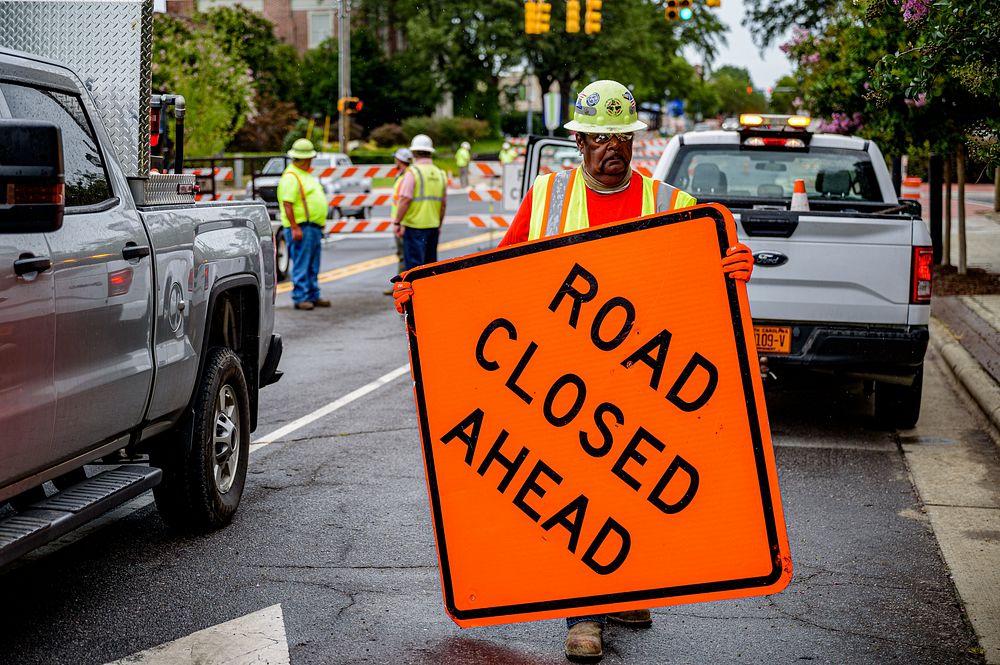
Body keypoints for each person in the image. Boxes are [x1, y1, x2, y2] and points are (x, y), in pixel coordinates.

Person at [392, 80, 753, 663]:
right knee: (582, 496)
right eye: (599, 138)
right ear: (579, 141)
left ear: (635, 140)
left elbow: (713, 257)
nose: (611, 148)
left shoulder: (669, 204)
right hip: (564, 376)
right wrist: (429, 294)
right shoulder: (548, 198)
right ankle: (584, 612)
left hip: (638, 374)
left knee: (633, 486)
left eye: (621, 137)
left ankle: (629, 587)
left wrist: (736, 264)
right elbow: (494, 268)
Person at [277, 138, 330, 311]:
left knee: (312, 263)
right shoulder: (292, 177)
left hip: (311, 226)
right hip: (302, 227)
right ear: (306, 159)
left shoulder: (303, 175)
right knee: (302, 262)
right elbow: (287, 204)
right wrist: (294, 227)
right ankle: (301, 297)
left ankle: (312, 294)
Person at [393, 134, 447, 271]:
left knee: (415, 270)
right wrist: (439, 224)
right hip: (433, 226)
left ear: (413, 152)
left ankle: (417, 293)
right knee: (430, 268)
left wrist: (397, 222)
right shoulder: (440, 173)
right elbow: (443, 204)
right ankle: (429, 292)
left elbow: (405, 199)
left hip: (414, 227)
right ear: (430, 152)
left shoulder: (413, 172)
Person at [384, 147, 413, 295]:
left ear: (399, 160)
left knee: (404, 255)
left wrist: (399, 222)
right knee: (403, 254)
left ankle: (401, 287)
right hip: (401, 221)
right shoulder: (403, 176)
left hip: (402, 223)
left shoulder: (405, 177)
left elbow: (404, 201)